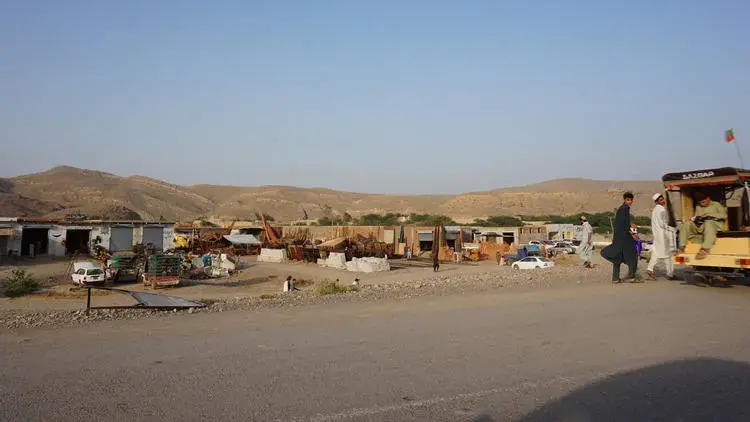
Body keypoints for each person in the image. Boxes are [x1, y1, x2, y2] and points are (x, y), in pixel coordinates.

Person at [601, 192, 640, 283]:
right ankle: (631, 276)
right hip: (624, 237)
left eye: (631, 200)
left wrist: (632, 229)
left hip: (619, 237)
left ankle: (615, 278)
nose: (629, 202)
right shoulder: (624, 209)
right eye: (628, 200)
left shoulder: (623, 209)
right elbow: (625, 224)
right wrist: (633, 234)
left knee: (617, 256)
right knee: (633, 254)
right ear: (624, 200)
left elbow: (625, 223)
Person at [678, 191, 727, 259]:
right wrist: (697, 219)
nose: (702, 204)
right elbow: (697, 216)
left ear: (708, 199)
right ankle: (681, 247)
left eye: (703, 202)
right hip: (701, 226)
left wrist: (709, 215)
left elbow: (724, 215)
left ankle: (705, 249)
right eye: (700, 203)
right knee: (687, 223)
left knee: (708, 222)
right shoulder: (698, 207)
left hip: (714, 226)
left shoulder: (716, 205)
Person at [648, 193, 675, 280]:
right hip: (662, 235)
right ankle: (670, 274)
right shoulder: (661, 210)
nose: (663, 201)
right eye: (661, 200)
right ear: (656, 202)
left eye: (663, 199)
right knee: (668, 254)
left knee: (656, 252)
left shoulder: (655, 210)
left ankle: (650, 269)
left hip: (657, 235)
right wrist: (672, 229)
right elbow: (662, 224)